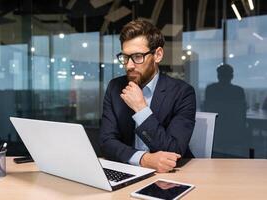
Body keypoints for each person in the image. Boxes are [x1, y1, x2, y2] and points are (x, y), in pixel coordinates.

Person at [99, 19, 196, 173]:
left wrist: (141, 109)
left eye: (137, 57)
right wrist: (143, 159)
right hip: (128, 169)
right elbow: (106, 142)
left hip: (171, 175)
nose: (129, 65)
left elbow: (173, 151)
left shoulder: (182, 92)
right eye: (125, 57)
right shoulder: (115, 87)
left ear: (157, 55)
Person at [204, 64, 248, 157]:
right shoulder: (238, 91)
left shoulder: (211, 89)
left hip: (216, 130)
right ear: (232, 76)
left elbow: (206, 110)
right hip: (233, 130)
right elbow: (242, 114)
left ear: (218, 75)